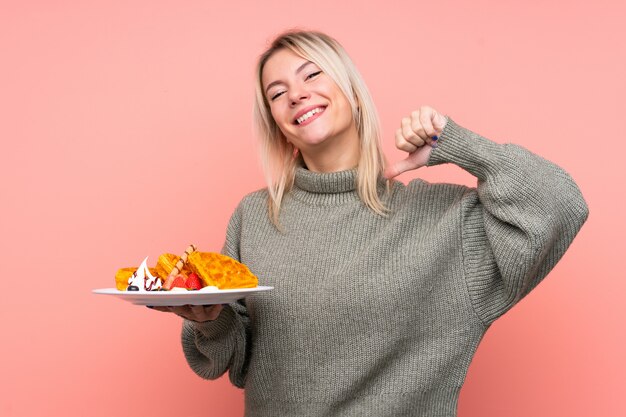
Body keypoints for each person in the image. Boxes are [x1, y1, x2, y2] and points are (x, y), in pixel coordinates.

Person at [152, 30, 589, 416]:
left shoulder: (445, 223)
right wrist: (210, 320)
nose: (297, 95)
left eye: (312, 75)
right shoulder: (254, 217)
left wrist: (457, 145)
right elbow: (232, 360)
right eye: (277, 93)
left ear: (354, 92)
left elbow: (562, 204)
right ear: (277, 125)